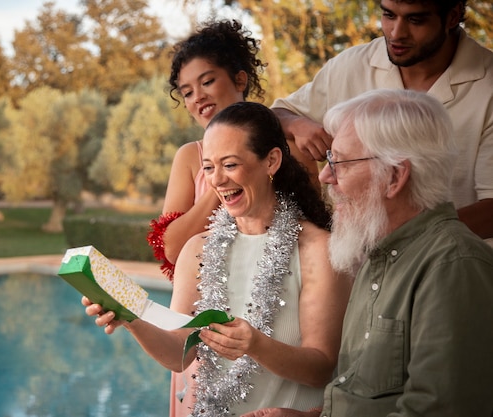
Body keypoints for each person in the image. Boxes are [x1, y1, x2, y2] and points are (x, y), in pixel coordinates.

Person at [85, 102, 351, 416]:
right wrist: (130, 320)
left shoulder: (318, 248)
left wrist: (254, 344)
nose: (218, 180)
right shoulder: (197, 249)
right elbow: (180, 353)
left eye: (230, 164)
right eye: (209, 167)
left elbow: (320, 367)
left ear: (272, 161)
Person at [242, 89, 493, 417]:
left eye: (339, 162)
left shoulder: (454, 266)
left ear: (394, 177)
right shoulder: (377, 257)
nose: (324, 176)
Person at [271, 0, 493, 244]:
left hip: (454, 265)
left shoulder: (488, 86)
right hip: (351, 264)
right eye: (388, 15)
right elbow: (277, 114)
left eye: (415, 20)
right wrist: (298, 124)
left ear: (452, 17)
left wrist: (404, 240)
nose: (396, 33)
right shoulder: (350, 65)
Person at [147, 20, 318, 283]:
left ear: (240, 79)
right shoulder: (189, 157)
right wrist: (222, 177)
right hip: (206, 297)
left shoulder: (288, 148)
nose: (198, 97)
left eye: (207, 82)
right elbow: (171, 250)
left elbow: (312, 233)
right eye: (188, 92)